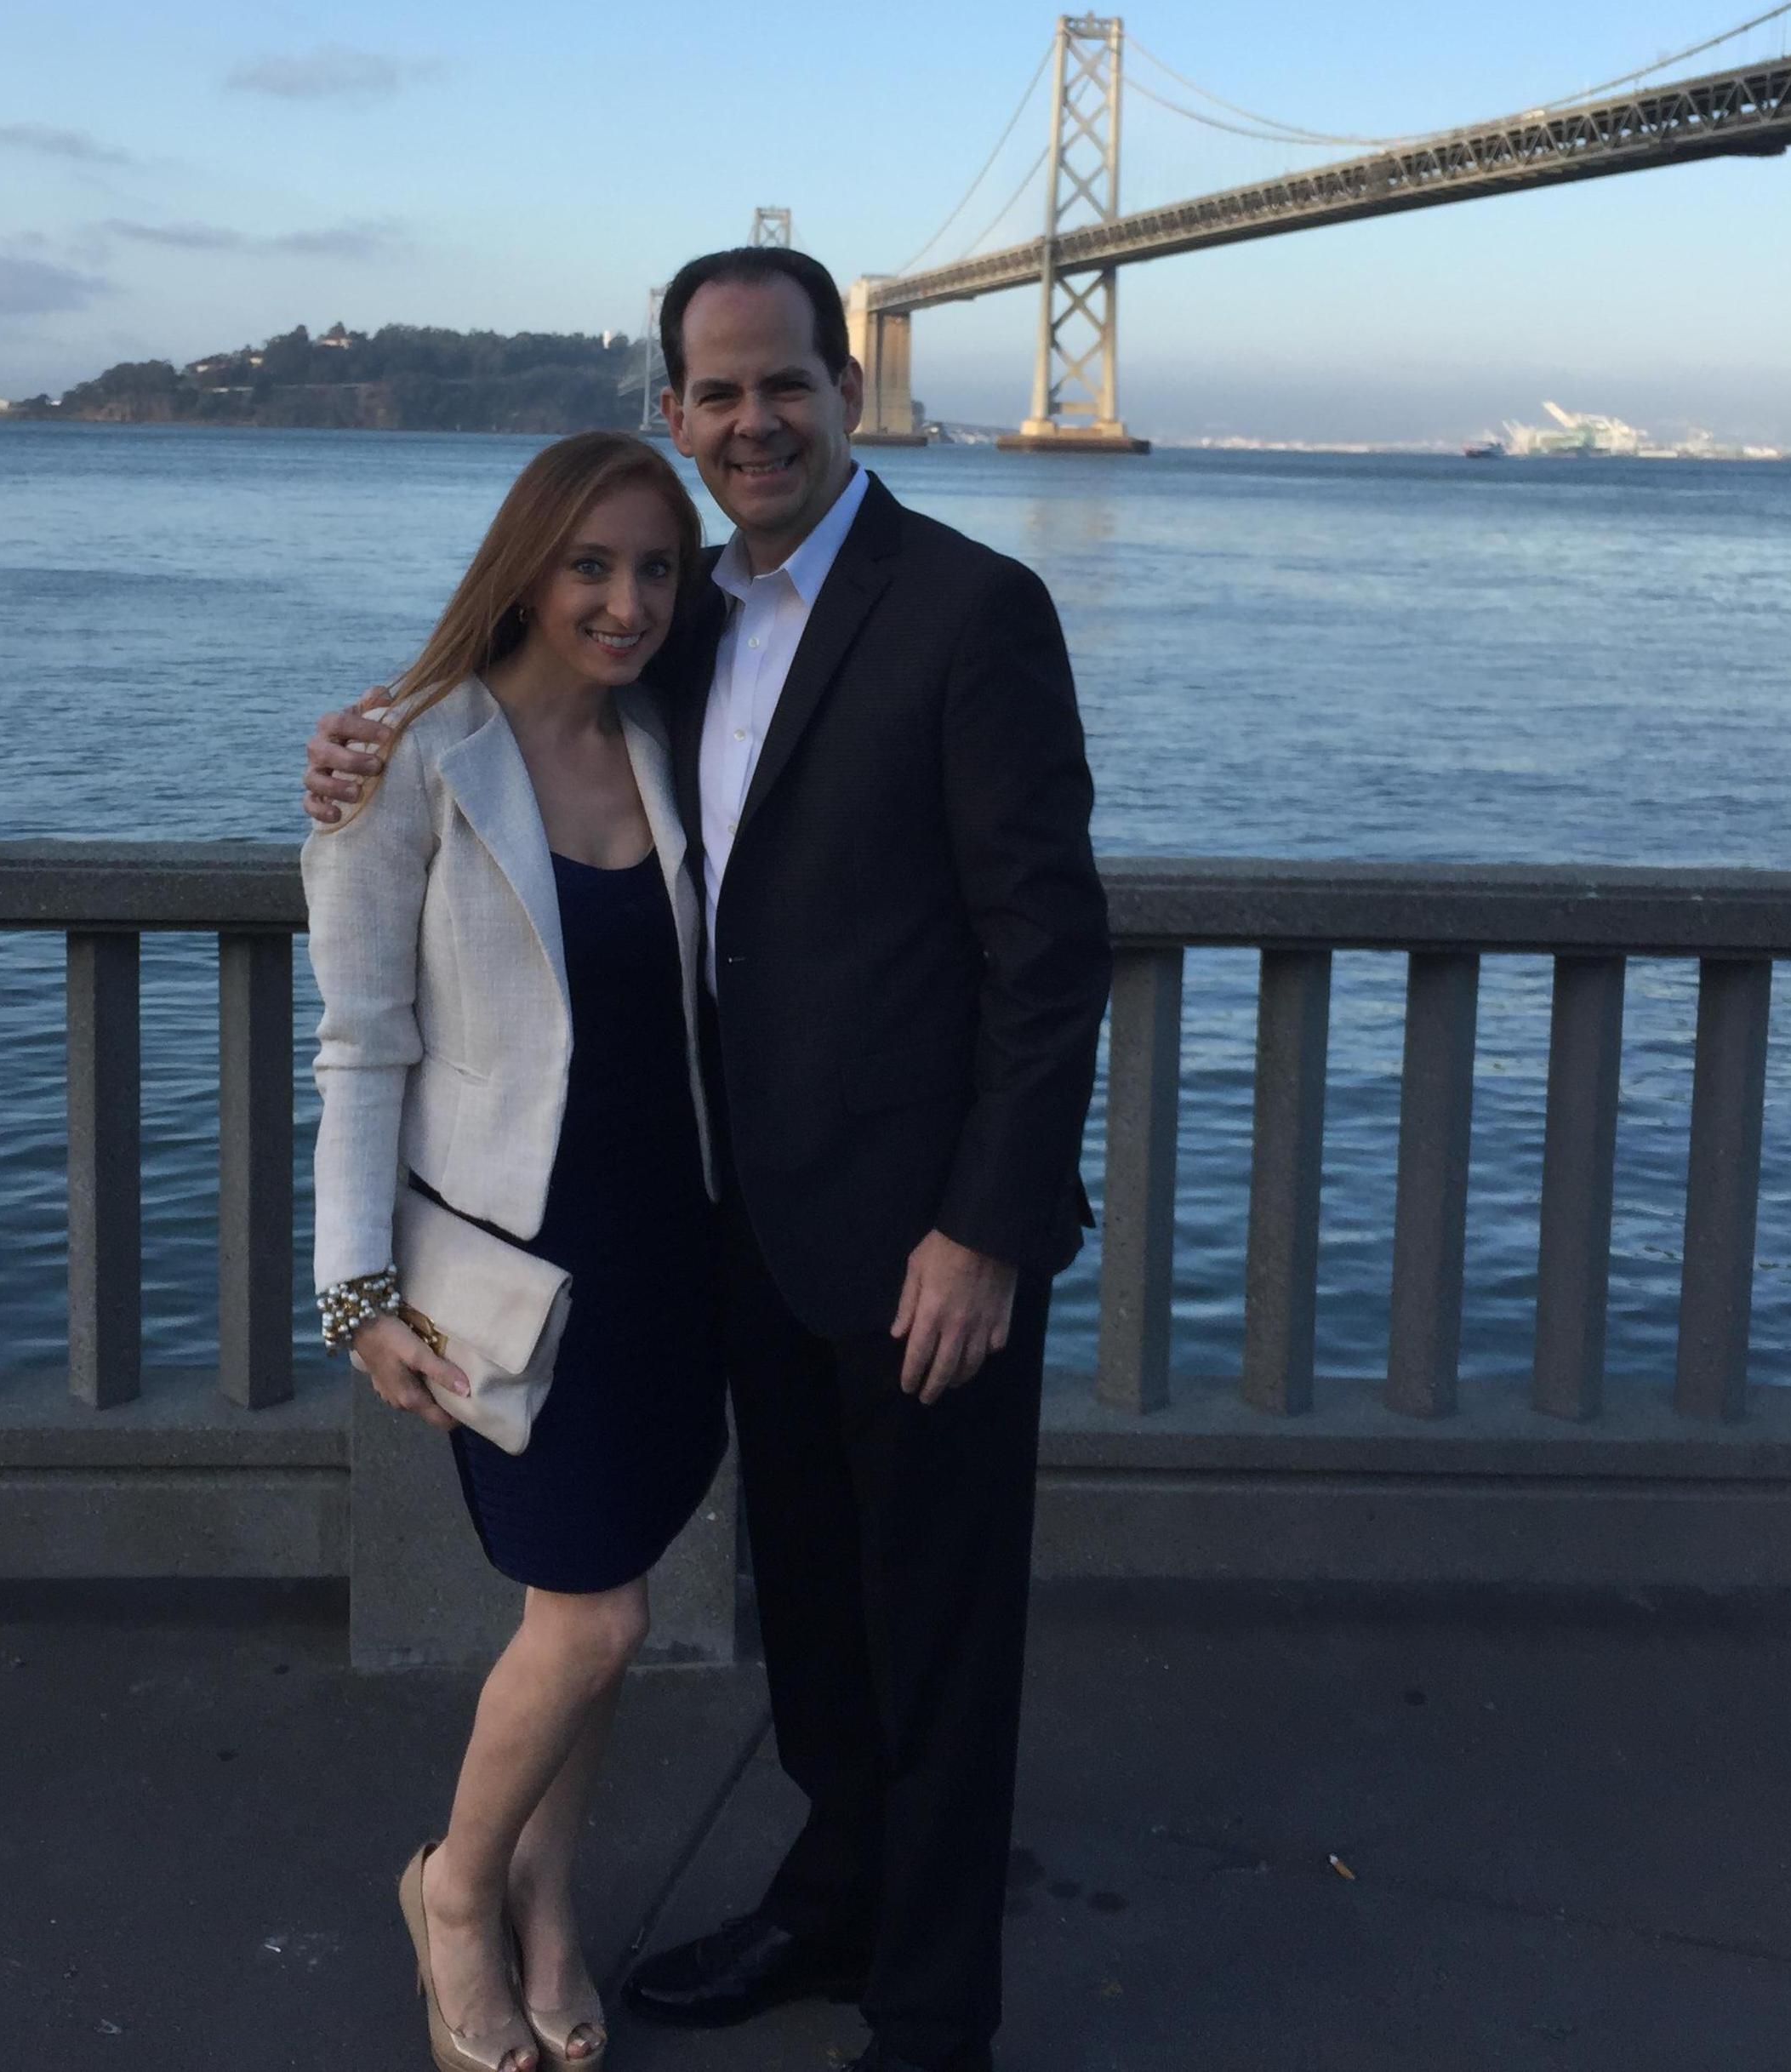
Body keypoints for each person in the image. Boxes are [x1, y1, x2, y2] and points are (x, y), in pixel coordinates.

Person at [306, 248, 1113, 2072]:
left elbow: (1050, 953)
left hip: (921, 1250)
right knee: (814, 1627)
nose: (755, 422)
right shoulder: (675, 641)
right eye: (718, 395)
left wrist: (985, 1228)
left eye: (788, 385)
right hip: (723, 1235)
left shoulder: (971, 609)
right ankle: (830, 1905)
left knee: (939, 1640)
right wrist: (369, 737)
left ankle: (930, 2016)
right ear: (675, 412)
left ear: (848, 388)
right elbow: (507, 774)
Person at [305, 431, 722, 2072]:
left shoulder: (672, 740)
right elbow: (359, 1045)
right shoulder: (404, 757)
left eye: (656, 570)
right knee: (595, 1619)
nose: (624, 603)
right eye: (591, 566)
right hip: (511, 1269)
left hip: (671, 1244)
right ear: (527, 567)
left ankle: (552, 1902)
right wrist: (355, 1292)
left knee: (595, 1596)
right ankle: (457, 1896)